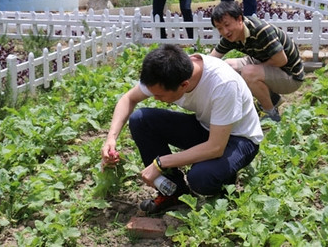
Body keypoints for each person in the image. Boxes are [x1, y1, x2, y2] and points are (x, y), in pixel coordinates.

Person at [101, 44, 263, 214]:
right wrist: (111, 138)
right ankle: (174, 192)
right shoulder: (167, 71)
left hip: (239, 139)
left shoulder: (223, 84)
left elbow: (216, 147)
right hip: (206, 127)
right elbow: (129, 98)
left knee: (201, 178)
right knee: (140, 120)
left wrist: (160, 163)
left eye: (160, 95)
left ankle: (225, 183)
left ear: (184, 85)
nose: (155, 98)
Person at [210, 1, 304, 123]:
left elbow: (281, 60)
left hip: (290, 75)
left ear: (239, 19)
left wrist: (254, 69)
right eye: (219, 28)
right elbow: (211, 60)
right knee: (227, 66)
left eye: (227, 25)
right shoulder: (231, 36)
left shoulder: (261, 30)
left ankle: (271, 113)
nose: (225, 31)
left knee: (248, 72)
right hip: (267, 63)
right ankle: (272, 98)